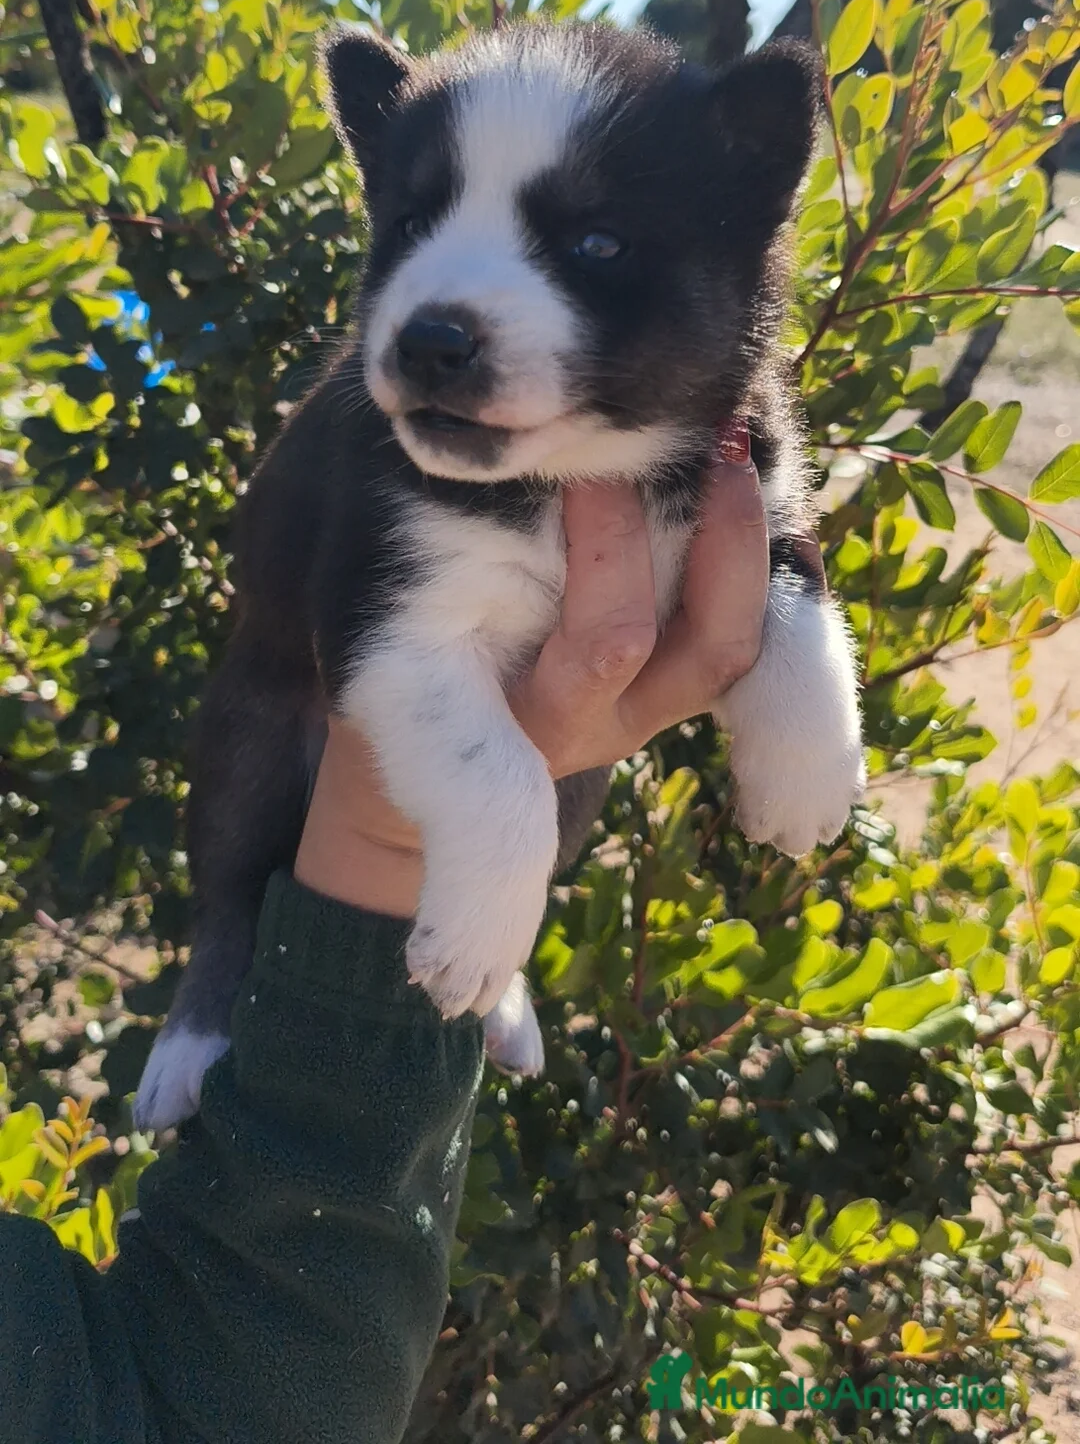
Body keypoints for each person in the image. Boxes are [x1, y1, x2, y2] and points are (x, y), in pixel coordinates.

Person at [1, 432, 788, 1444]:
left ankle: (479, 947)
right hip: (341, 665)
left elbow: (221, 1397)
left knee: (562, 736)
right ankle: (223, 971)